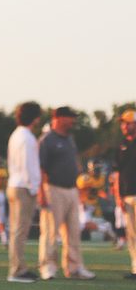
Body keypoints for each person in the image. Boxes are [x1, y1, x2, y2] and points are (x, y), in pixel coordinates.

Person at [37, 106, 95, 280]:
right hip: (53, 188)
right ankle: (47, 266)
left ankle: (74, 267)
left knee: (73, 232)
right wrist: (41, 193)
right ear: (60, 118)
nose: (73, 121)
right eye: (71, 117)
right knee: (50, 232)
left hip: (71, 189)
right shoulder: (47, 140)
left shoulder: (70, 139)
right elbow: (40, 168)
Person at [6, 100, 42, 283]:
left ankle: (18, 267)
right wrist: (35, 188)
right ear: (34, 118)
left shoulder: (16, 135)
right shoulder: (27, 137)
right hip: (23, 187)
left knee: (16, 230)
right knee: (20, 230)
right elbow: (29, 166)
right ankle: (17, 270)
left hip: (14, 184)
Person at [113, 109, 136, 279]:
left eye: (128, 122)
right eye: (123, 123)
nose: (124, 126)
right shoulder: (121, 145)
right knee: (132, 235)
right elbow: (117, 174)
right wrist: (118, 196)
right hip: (127, 196)